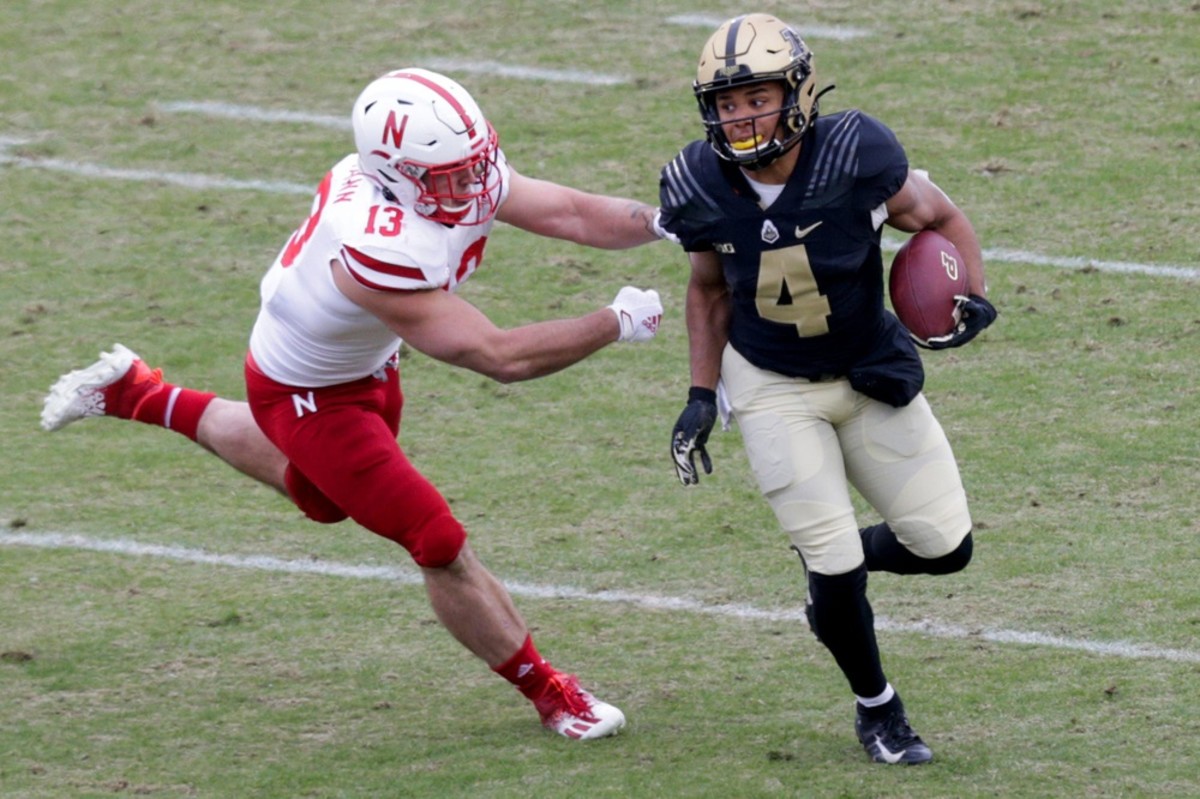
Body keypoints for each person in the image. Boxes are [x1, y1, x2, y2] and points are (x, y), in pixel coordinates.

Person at [41, 67, 672, 741]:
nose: (472, 185)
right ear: (396, 174)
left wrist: (667, 222)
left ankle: (140, 393)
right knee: (436, 540)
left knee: (321, 499)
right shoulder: (377, 242)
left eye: (475, 164)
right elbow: (497, 356)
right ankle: (552, 694)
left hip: (365, 365)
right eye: (450, 176)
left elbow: (570, 211)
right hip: (307, 395)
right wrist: (614, 322)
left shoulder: (445, 176)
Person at [658, 14, 997, 764]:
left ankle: (832, 578)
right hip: (772, 384)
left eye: (757, 98)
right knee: (835, 564)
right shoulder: (696, 182)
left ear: (799, 93)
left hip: (867, 368)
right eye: (726, 103)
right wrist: (701, 393)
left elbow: (940, 215)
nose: (741, 118)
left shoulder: (855, 153)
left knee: (944, 547)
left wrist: (971, 293)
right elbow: (708, 289)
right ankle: (879, 710)